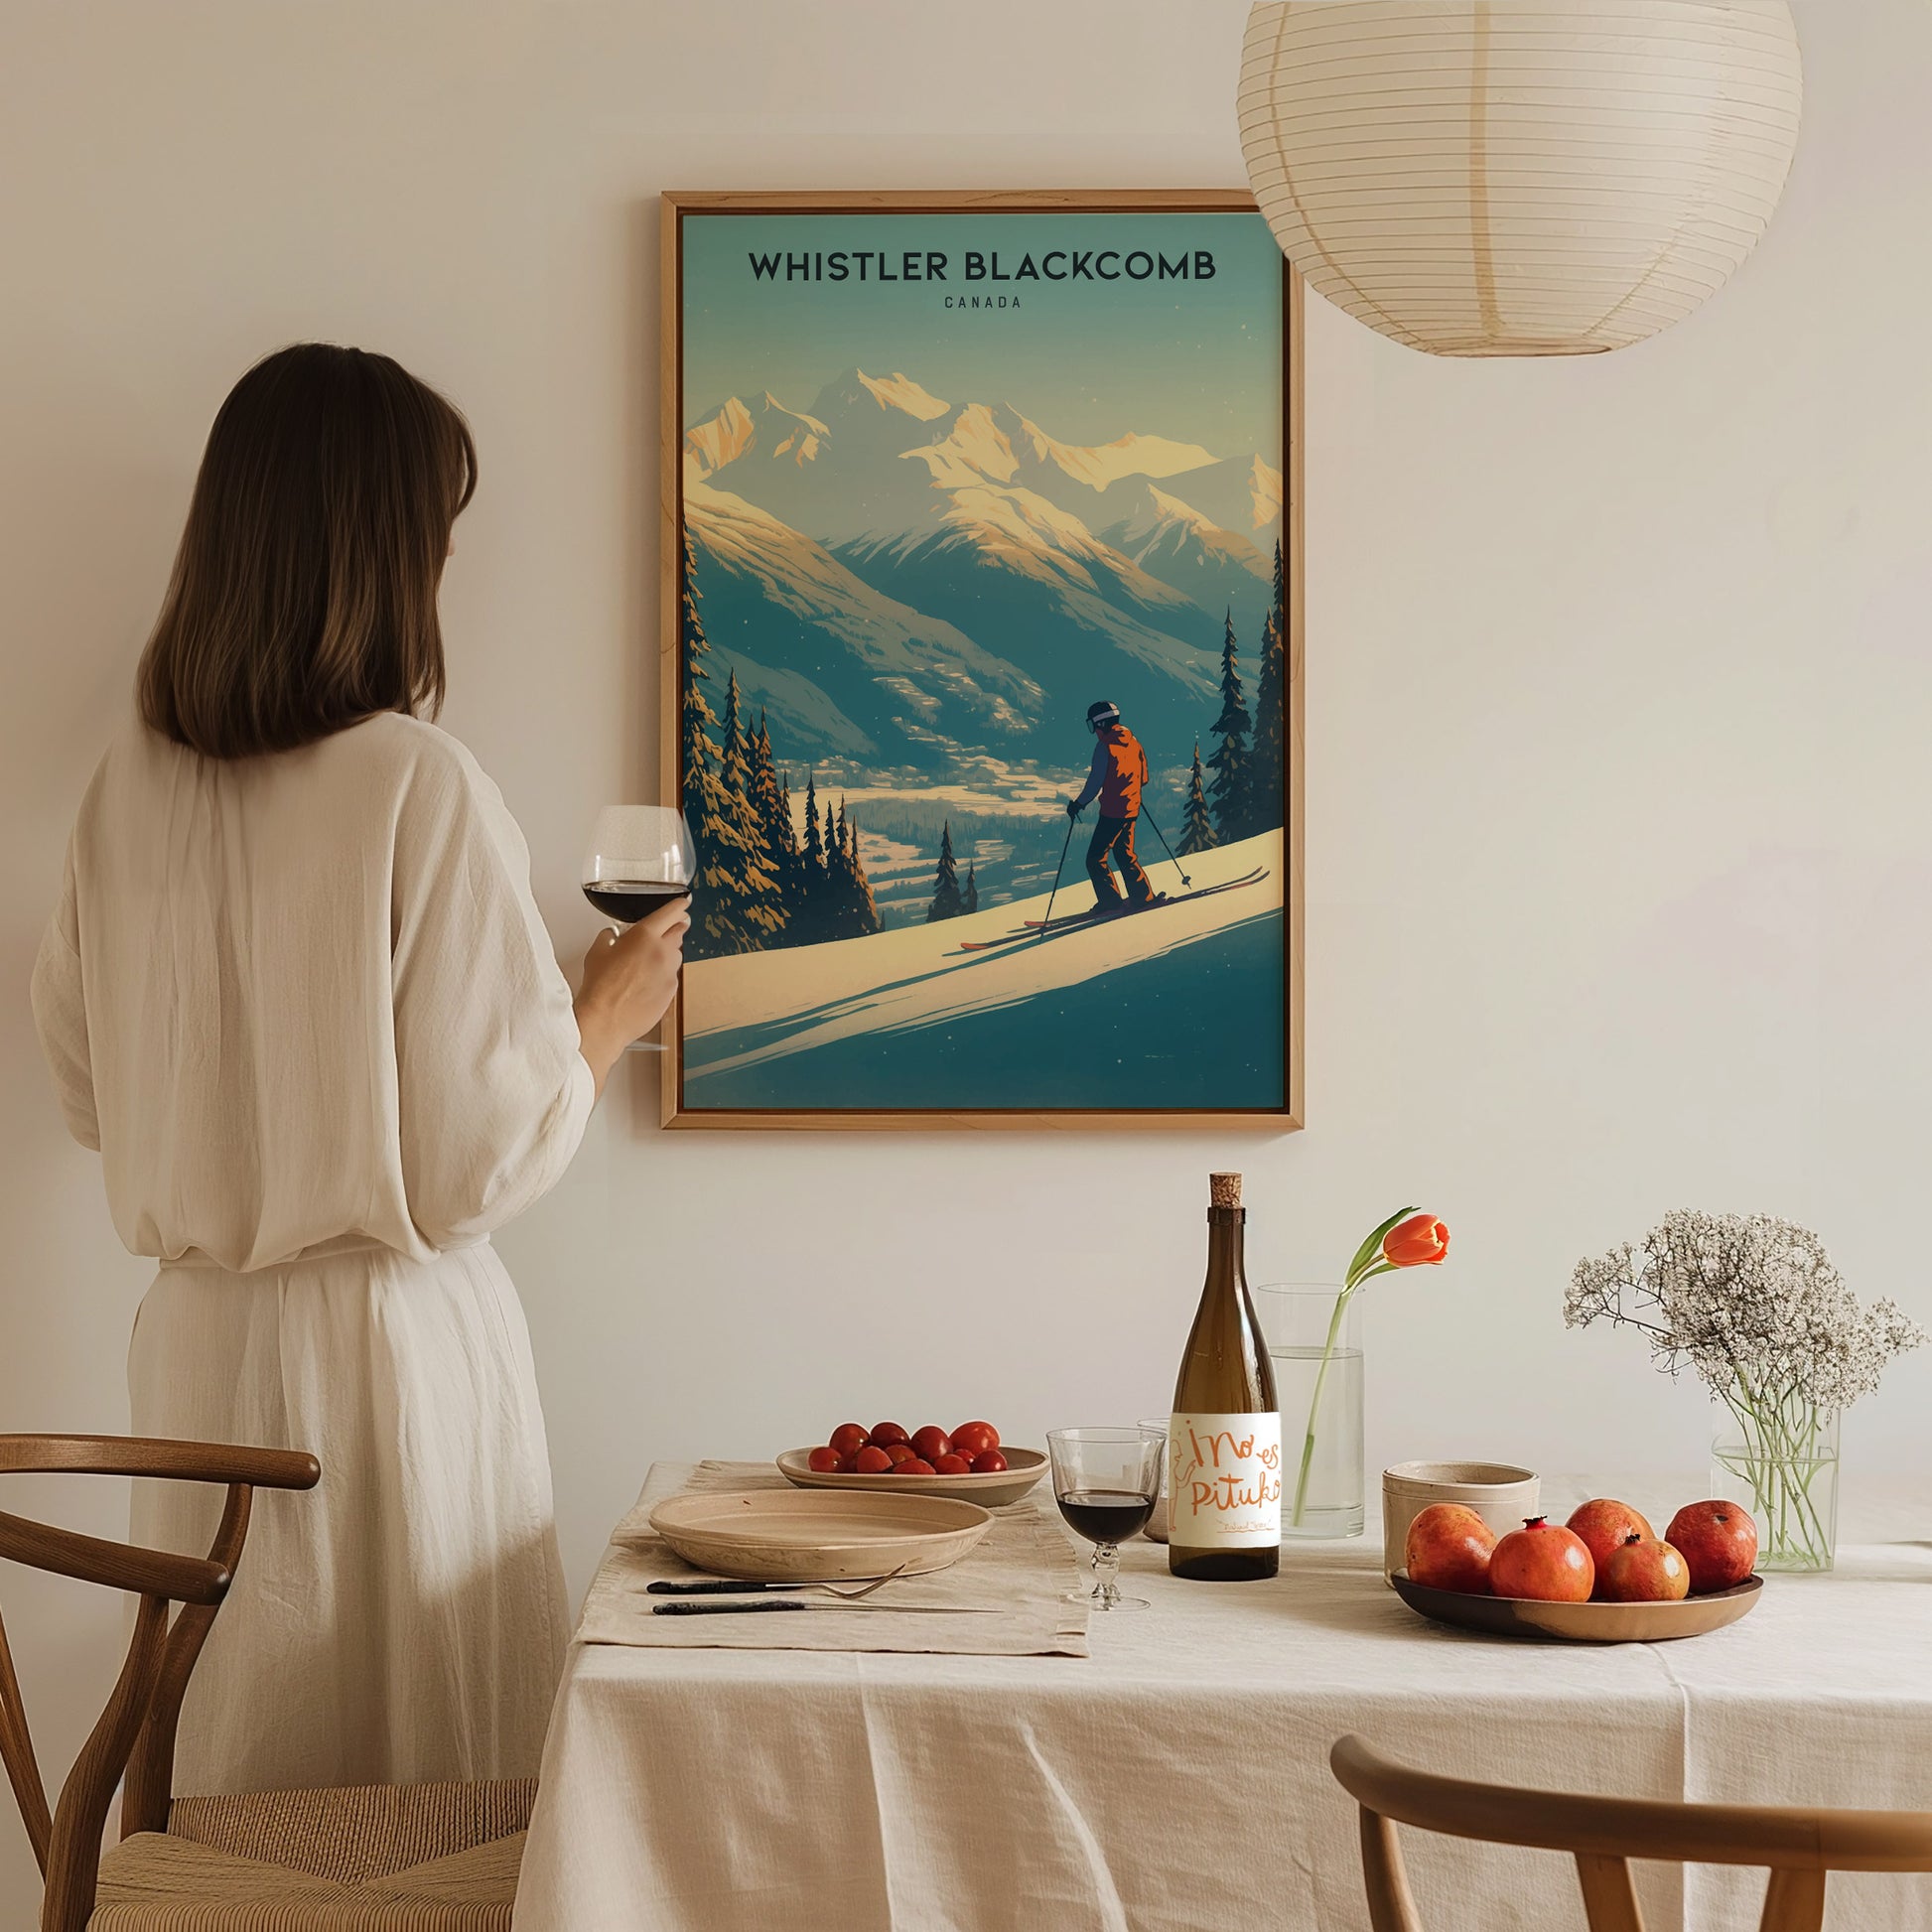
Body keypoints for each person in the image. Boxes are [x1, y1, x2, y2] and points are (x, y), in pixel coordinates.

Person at [29, 344, 685, 1794]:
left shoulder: (121, 792)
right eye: (433, 540)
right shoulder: (414, 780)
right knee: (421, 1798)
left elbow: (87, 1093)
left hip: (195, 1352)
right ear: (383, 553)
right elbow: (471, 1163)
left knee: (240, 1778)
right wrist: (601, 1013)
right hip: (388, 1363)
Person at [1065, 699, 1156, 908]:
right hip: (1132, 808)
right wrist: (1128, 788)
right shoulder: (1134, 742)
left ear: (1101, 724)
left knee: (1095, 859)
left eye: (1093, 726)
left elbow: (1095, 782)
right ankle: (1142, 896)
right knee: (1125, 854)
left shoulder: (1104, 747)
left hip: (1113, 812)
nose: (1094, 731)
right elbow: (1144, 778)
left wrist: (1078, 804)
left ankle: (1110, 901)